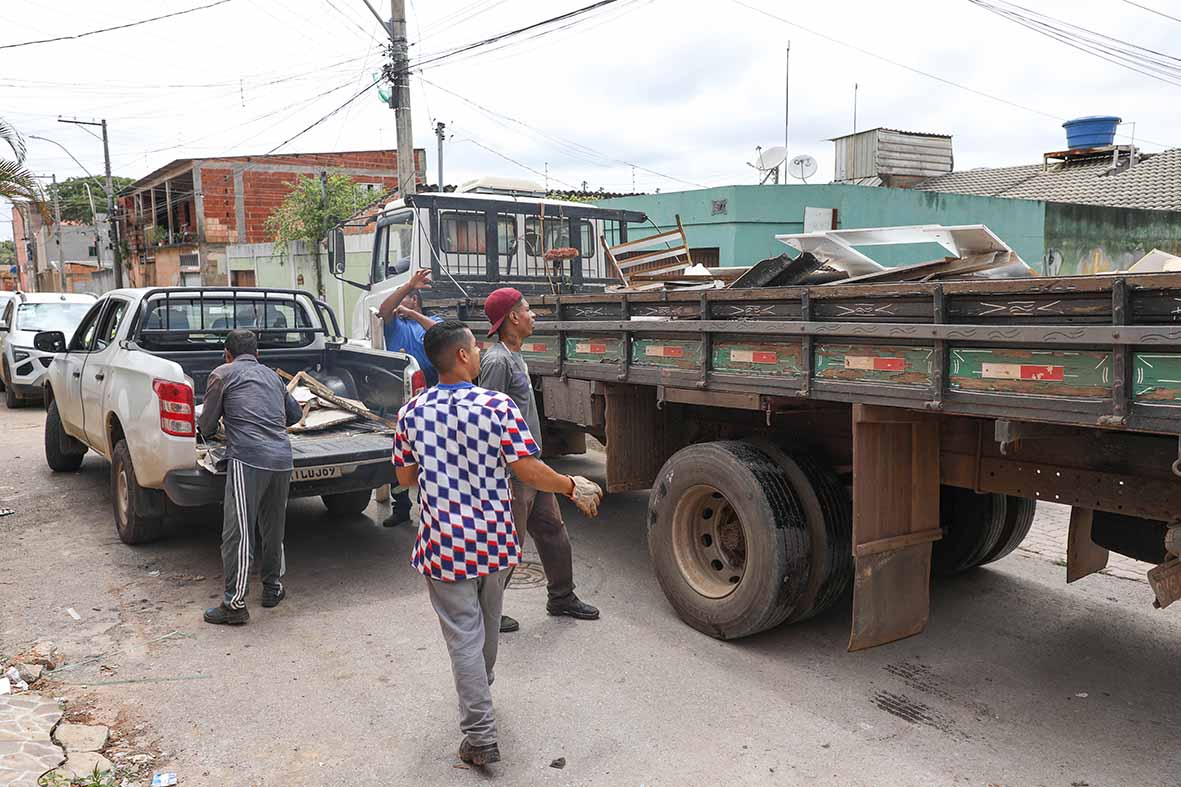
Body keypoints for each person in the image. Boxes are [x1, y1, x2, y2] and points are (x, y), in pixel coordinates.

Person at [393, 320, 602, 767]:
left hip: (445, 544)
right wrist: (571, 485)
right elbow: (526, 468)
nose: (482, 352)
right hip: (494, 539)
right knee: (485, 632)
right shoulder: (497, 406)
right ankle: (479, 701)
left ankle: (480, 734)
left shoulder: (411, 412)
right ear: (463, 356)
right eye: (476, 346)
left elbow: (406, 478)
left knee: (464, 638)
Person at [479, 287, 600, 633]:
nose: (534, 316)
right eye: (529, 310)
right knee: (507, 545)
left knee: (552, 530)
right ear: (513, 318)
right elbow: (490, 419)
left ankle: (562, 597)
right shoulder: (497, 360)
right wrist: (502, 471)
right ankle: (487, 612)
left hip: (533, 464)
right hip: (513, 470)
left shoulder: (515, 354)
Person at [198, 329, 302, 625]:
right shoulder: (272, 376)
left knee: (239, 532)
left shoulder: (222, 374)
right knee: (273, 527)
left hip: (248, 459)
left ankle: (234, 604)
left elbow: (206, 424)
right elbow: (293, 416)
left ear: (227, 354)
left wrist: (214, 425)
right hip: (282, 459)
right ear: (257, 354)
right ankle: (272, 588)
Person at [379, 268, 443, 385]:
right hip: (399, 383)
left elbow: (442, 333)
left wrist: (412, 314)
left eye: (401, 299)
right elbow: (383, 310)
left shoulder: (433, 320)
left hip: (431, 384)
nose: (397, 304)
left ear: (414, 300)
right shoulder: (395, 323)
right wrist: (409, 285)